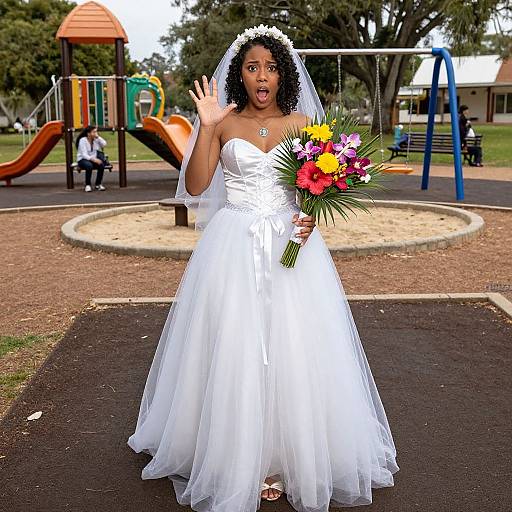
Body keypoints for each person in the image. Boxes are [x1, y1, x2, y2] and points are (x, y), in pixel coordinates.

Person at [127, 25, 399, 512]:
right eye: (252, 67)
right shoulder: (225, 122)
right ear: (240, 73)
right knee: (235, 346)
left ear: (283, 75)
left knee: (292, 346)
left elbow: (316, 185)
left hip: (290, 249)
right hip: (232, 245)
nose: (261, 76)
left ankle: (281, 456)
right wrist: (207, 125)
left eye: (270, 68)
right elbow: (195, 185)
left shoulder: (301, 125)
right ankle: (236, 456)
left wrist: (310, 219)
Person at [75, 125, 107, 191]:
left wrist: (98, 137)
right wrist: (94, 159)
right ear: (88, 133)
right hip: (83, 159)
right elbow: (84, 154)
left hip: (93, 158)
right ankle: (88, 185)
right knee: (89, 165)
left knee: (101, 164)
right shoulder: (83, 140)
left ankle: (98, 184)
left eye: (96, 132)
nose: (95, 133)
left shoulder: (96, 139)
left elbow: (104, 144)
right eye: (94, 132)